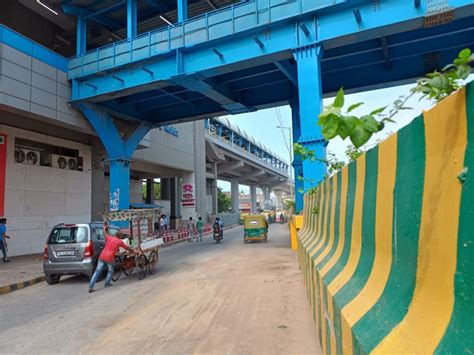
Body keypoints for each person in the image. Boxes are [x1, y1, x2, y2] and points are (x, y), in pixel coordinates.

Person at [88, 222, 136, 293]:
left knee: (97, 271)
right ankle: (107, 284)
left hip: (102, 256)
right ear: (120, 236)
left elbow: (104, 233)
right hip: (110, 258)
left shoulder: (109, 238)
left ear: (115, 235)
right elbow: (127, 248)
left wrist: (104, 227)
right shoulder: (119, 241)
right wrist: (133, 251)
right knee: (110, 271)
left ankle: (90, 287)